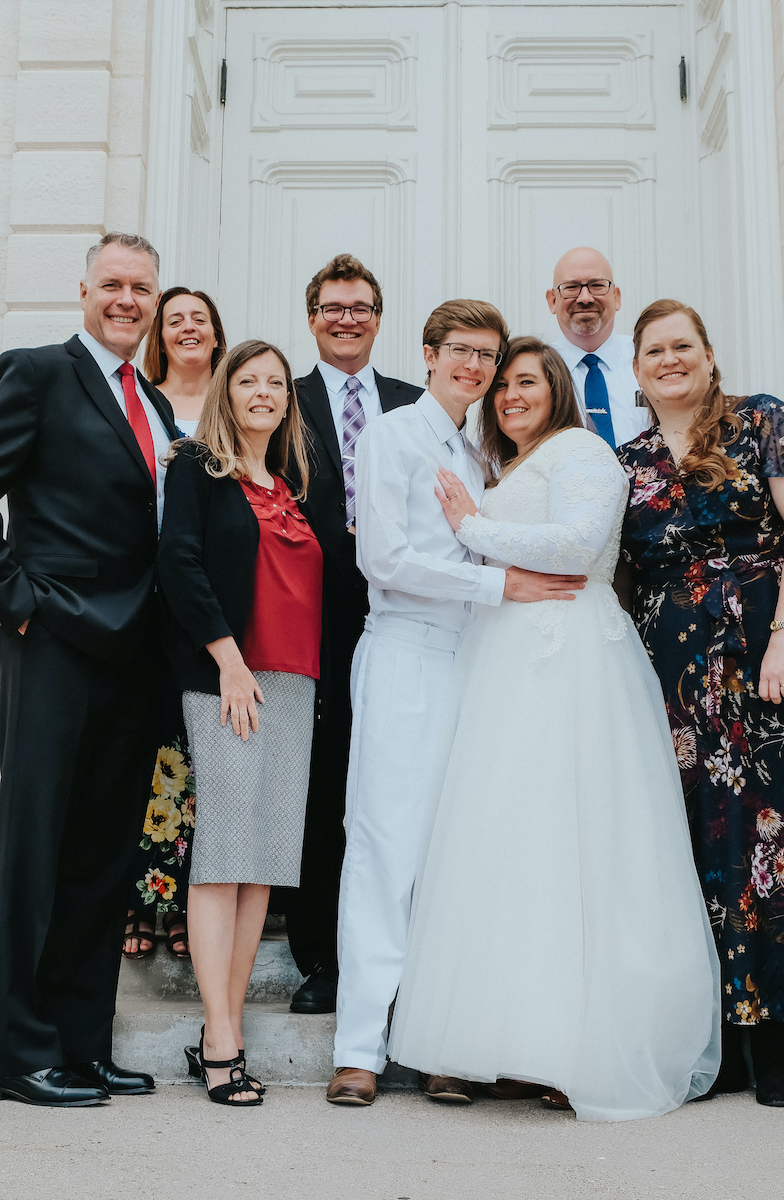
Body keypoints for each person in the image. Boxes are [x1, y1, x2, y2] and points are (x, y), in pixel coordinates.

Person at [388, 336, 720, 1121]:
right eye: (501, 386)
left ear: (557, 389)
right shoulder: (507, 467)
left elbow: (575, 546)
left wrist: (475, 530)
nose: (509, 396)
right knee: (510, 843)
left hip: (570, 660)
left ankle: (572, 1043)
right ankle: (503, 1039)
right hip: (507, 660)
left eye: (526, 382)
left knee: (575, 840)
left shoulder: (584, 453)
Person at [326, 304, 589, 1107]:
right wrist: (498, 584)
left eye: (488, 356)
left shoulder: (483, 457)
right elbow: (384, 557)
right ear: (431, 355)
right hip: (407, 654)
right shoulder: (393, 436)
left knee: (463, 853)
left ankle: (449, 1043)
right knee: (385, 849)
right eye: (462, 353)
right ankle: (359, 1051)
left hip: (479, 666)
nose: (475, 368)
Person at [0, 231, 178, 1106]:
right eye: (113, 284)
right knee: (29, 853)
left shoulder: (154, 402)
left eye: (141, 288)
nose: (127, 300)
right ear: (83, 291)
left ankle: (81, 1043)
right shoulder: (35, 373)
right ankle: (15, 1051)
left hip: (133, 656)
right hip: (54, 644)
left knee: (102, 861)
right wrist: (18, 599)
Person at [617, 299, 784, 1107]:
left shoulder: (760, 422)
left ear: (710, 355)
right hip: (670, 682)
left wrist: (783, 635)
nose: (670, 359)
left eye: (683, 345)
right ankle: (714, 1036)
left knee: (769, 838)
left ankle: (776, 1035)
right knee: (693, 847)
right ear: (638, 369)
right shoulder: (627, 460)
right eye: (655, 351)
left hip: (763, 667)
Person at [157, 339, 322, 1106]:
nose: (263, 393)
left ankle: (227, 1028)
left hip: (292, 683)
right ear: (227, 391)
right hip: (231, 677)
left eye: (275, 383)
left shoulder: (291, 483)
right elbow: (179, 562)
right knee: (224, 851)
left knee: (262, 861)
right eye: (249, 381)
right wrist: (227, 659)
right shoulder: (197, 466)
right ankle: (219, 1036)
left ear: (288, 399)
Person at [286, 254, 422, 1015]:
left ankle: (404, 951)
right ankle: (323, 959)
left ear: (378, 316)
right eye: (333, 307)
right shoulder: (283, 395)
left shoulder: (411, 402)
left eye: (361, 306)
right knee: (324, 784)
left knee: (395, 785)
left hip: (404, 612)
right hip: (313, 616)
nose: (347, 318)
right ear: (313, 317)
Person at [123, 287, 227, 962]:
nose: (188, 328)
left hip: (208, 601)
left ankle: (188, 900)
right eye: (176, 320)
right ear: (161, 334)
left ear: (218, 334)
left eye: (200, 319)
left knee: (202, 757)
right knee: (146, 750)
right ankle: (141, 900)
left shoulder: (234, 402)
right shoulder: (139, 399)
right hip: (137, 601)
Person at [547, 246, 648, 447]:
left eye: (597, 285)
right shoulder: (535, 371)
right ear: (552, 301)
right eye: (571, 287)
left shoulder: (650, 358)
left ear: (616, 297)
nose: (585, 298)